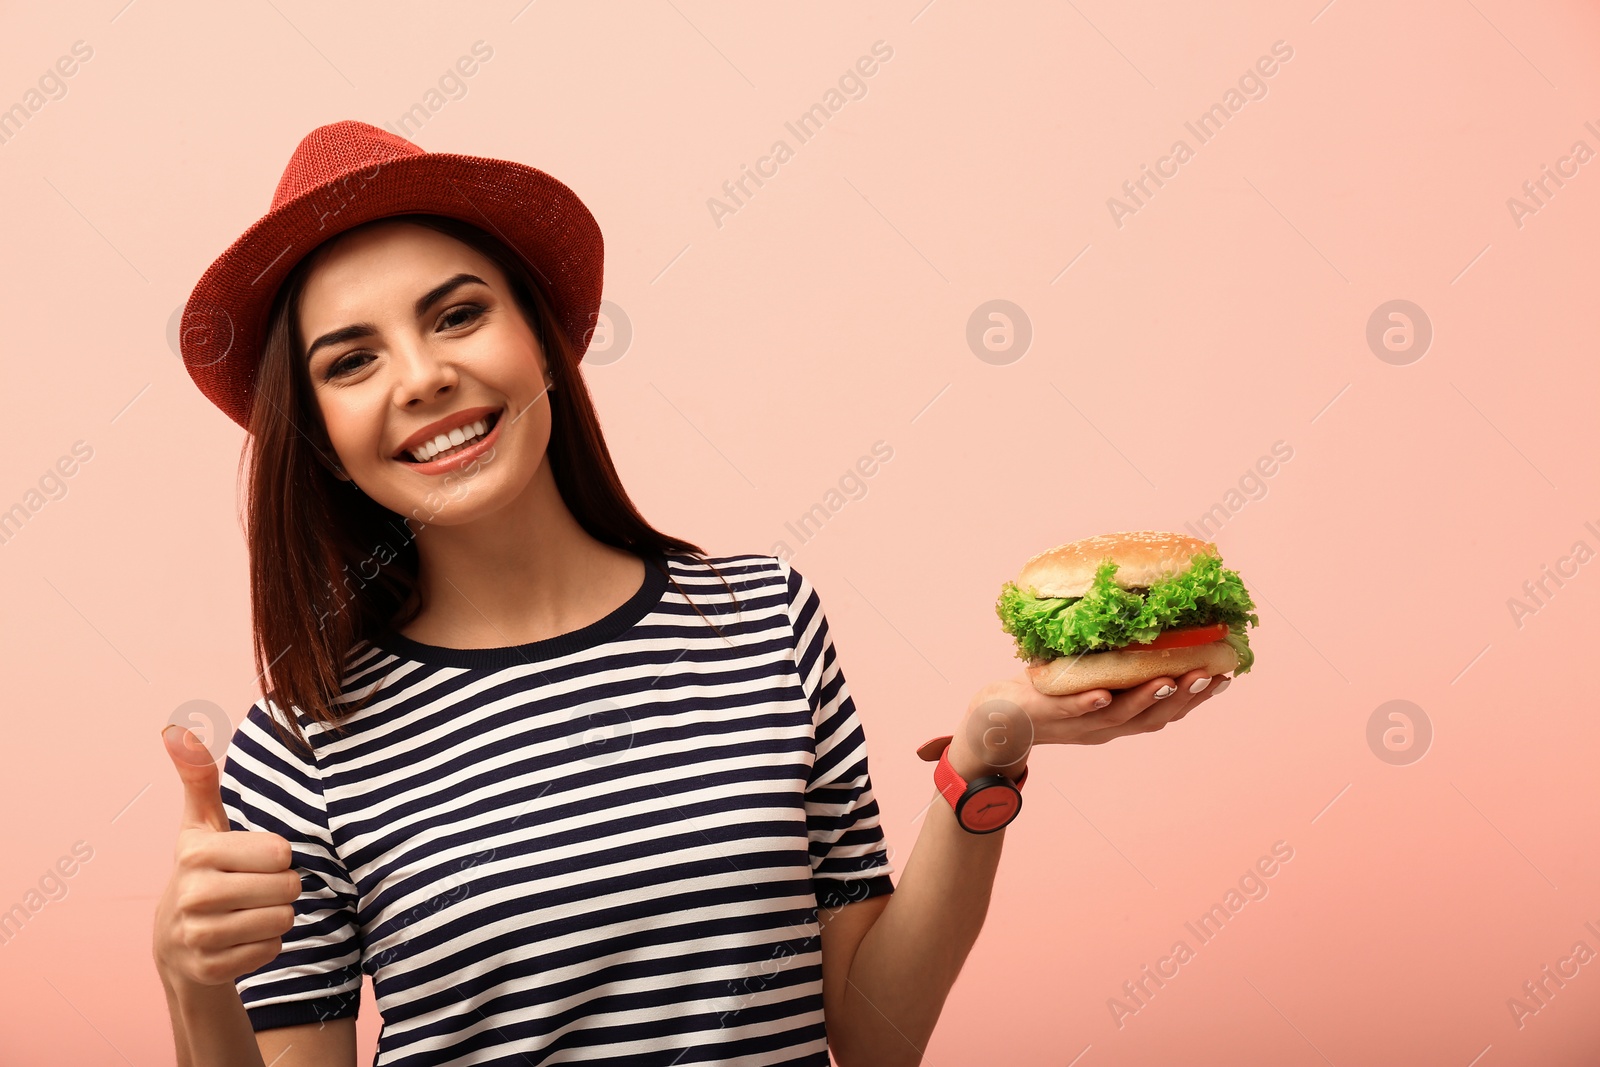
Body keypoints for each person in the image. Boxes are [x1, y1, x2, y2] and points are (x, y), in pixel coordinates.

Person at [150, 121, 1230, 1067]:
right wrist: (191, 978)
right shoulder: (302, 744)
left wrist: (988, 756)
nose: (419, 376)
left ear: (543, 340)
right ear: (327, 447)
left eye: (456, 314)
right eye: (350, 361)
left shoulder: (765, 617)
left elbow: (876, 1034)